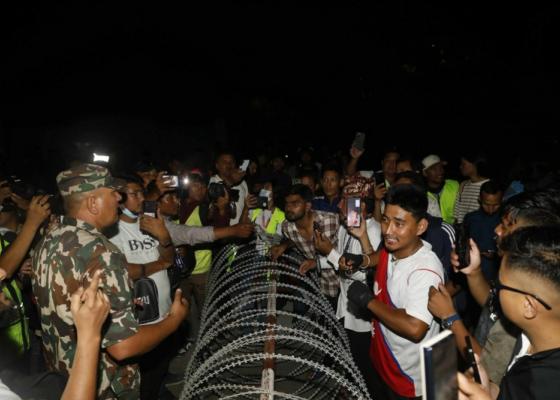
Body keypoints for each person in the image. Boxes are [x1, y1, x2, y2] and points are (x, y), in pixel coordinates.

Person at [32, 163, 188, 399]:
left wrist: (117, 303)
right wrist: (174, 320)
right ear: (93, 203)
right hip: (103, 385)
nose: (119, 198)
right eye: (113, 193)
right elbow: (123, 347)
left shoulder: (49, 238)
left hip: (64, 378)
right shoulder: (102, 252)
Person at [347, 184, 444, 399]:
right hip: (383, 358)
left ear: (421, 227)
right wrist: (362, 260)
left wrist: (368, 301)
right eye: (385, 220)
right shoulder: (396, 246)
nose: (388, 230)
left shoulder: (425, 271)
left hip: (406, 377)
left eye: (399, 224)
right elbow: (381, 256)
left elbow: (415, 328)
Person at [458, 226, 560, 400]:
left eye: (499, 285)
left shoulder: (541, 386)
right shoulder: (528, 338)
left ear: (528, 306)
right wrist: (488, 390)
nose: (494, 290)